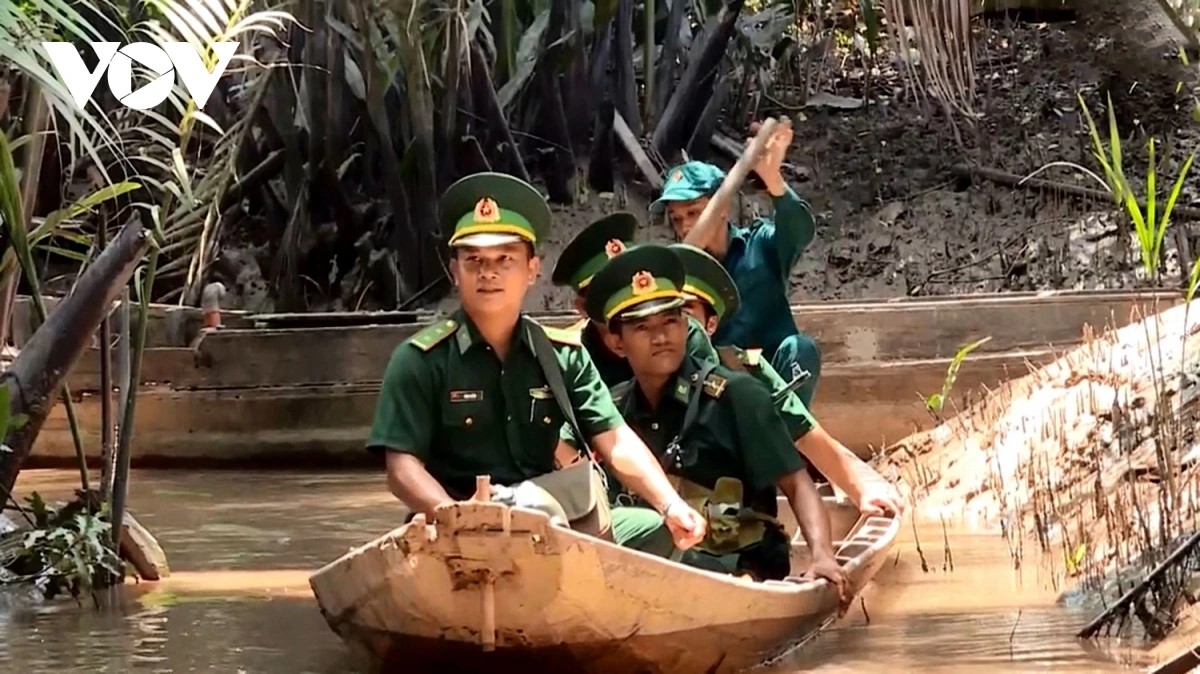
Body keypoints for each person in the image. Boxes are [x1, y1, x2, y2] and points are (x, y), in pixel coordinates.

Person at [366, 172, 706, 557]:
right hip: (453, 529)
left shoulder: (562, 355)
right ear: (454, 271)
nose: (488, 272)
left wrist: (670, 504)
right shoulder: (420, 360)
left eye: (505, 259)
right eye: (474, 260)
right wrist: (458, 518)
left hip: (549, 519)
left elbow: (614, 439)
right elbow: (402, 468)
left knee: (653, 529)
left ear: (532, 270)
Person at [562, 242, 848, 598]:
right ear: (616, 342)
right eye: (642, 328)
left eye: (671, 321)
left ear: (686, 326)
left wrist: (822, 555)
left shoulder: (736, 396)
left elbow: (796, 483)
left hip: (741, 567)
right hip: (657, 564)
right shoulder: (615, 410)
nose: (661, 337)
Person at [669, 242, 904, 518]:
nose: (677, 325)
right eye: (666, 314)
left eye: (686, 312)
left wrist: (861, 490)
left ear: (711, 324)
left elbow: (802, 430)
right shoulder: (638, 367)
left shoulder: (741, 366)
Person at [650, 121, 822, 409]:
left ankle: (784, 431)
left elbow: (800, 231)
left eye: (694, 213)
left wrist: (773, 180)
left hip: (772, 384)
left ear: (723, 209)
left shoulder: (759, 245)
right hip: (714, 392)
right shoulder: (675, 271)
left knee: (801, 349)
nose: (685, 226)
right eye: (677, 219)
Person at [550, 211, 723, 388]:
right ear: (582, 307)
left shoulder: (683, 335)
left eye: (628, 285)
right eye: (607, 292)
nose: (627, 298)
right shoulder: (576, 357)